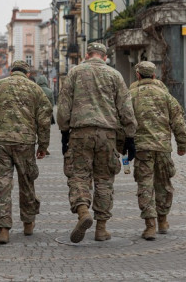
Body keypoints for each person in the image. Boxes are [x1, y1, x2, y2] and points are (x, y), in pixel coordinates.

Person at [57, 42, 136, 243]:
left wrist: (65, 132)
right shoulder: (115, 75)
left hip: (80, 133)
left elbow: (64, 105)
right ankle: (101, 229)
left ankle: (83, 211)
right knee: (104, 179)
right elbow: (126, 108)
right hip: (107, 135)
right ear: (105, 57)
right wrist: (130, 137)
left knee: (78, 175)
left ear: (87, 54)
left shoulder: (74, 73)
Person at [0, 60, 51, 245]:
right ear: (27, 73)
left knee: (2, 184)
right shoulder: (35, 89)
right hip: (25, 143)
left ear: (11, 72)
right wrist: (43, 146)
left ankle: (3, 229)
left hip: (1, 142)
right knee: (27, 182)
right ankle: (28, 222)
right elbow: (44, 120)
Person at [129, 61, 186, 239]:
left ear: (138, 75)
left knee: (145, 185)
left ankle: (150, 226)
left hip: (142, 148)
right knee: (163, 184)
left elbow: (124, 121)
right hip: (163, 148)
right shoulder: (166, 95)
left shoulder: (130, 95)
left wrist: (121, 145)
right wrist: (182, 145)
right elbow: (178, 122)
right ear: (154, 76)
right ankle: (163, 220)